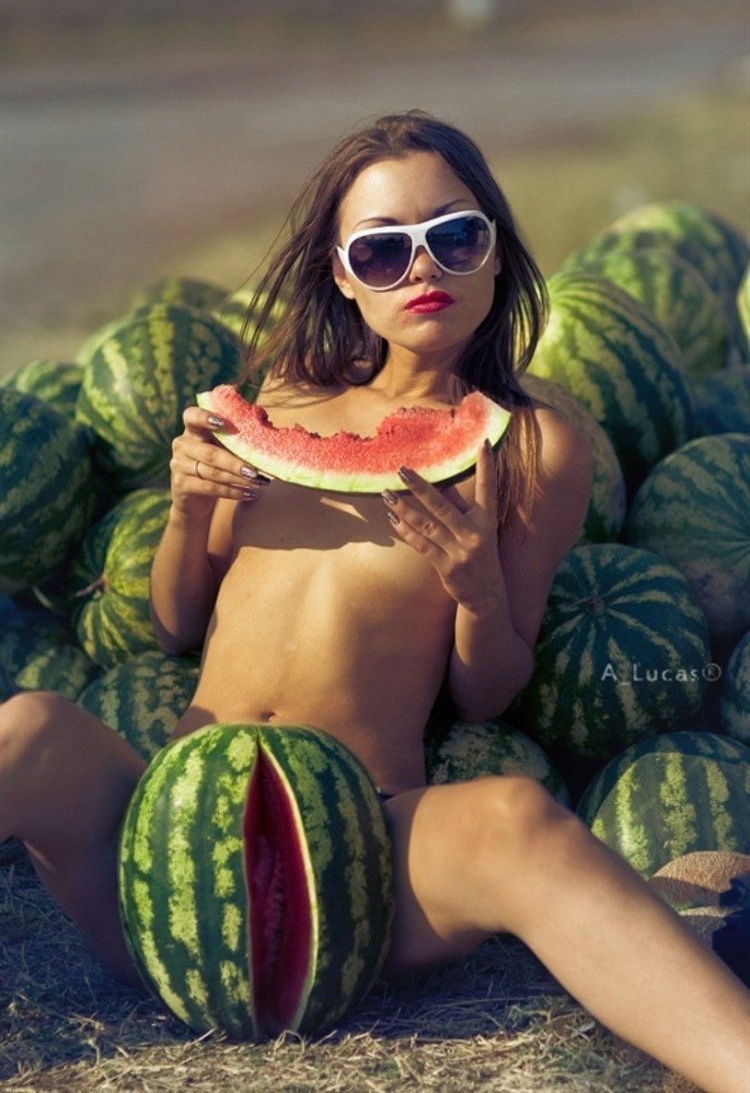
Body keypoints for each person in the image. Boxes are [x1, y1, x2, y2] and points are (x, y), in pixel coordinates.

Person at [1, 111, 748, 1091]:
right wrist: (186, 512)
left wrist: (477, 587)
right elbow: (177, 623)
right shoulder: (282, 399)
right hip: (167, 855)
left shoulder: (536, 443)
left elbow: (489, 692)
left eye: (456, 234)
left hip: (352, 864)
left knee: (521, 819)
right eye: (384, 249)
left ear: (496, 251)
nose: (423, 268)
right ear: (343, 274)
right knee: (32, 727)